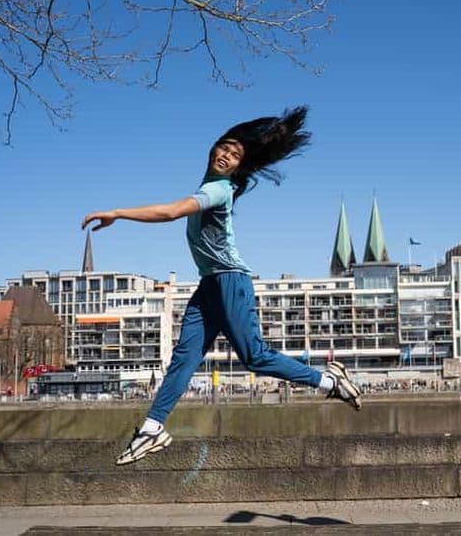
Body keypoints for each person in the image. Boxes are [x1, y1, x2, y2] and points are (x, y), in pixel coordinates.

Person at [82, 106, 362, 466]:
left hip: (231, 280)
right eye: (224, 147)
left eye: (234, 155)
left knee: (255, 356)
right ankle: (152, 428)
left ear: (236, 167)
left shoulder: (218, 190)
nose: (226, 155)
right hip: (208, 286)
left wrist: (118, 212)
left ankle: (328, 382)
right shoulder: (208, 186)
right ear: (213, 148)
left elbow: (169, 213)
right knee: (183, 358)